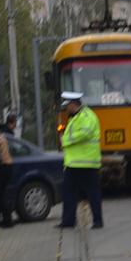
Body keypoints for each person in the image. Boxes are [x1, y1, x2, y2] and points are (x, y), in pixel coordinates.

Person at [56, 91, 103, 229]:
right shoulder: (75, 117)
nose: (66, 108)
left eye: (67, 105)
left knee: (92, 193)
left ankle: (98, 221)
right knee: (68, 193)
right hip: (73, 164)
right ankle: (68, 221)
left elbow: (85, 133)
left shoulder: (87, 116)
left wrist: (65, 140)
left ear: (73, 104)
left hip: (87, 163)